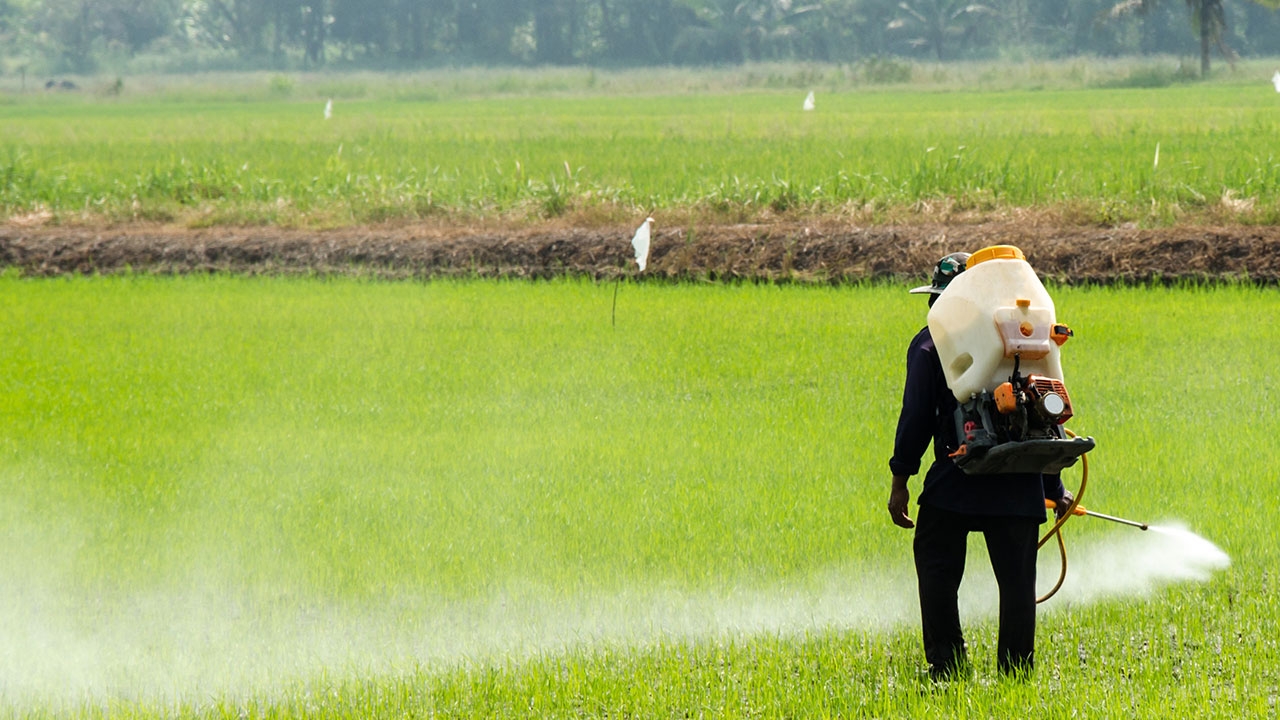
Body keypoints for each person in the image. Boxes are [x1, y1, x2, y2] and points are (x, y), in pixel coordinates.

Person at [887, 251, 1071, 680]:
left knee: (936, 570)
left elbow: (915, 417)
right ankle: (1015, 675)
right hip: (1020, 485)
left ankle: (948, 669)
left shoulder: (930, 344)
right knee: (1017, 586)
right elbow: (1044, 416)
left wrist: (900, 481)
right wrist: (1051, 484)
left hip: (957, 479)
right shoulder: (1023, 337)